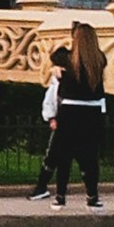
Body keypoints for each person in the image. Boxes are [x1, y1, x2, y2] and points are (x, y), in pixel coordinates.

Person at [40, 22, 105, 208]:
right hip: (92, 110)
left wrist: (69, 42)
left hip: (71, 109)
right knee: (90, 156)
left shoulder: (67, 59)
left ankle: (60, 196)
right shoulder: (99, 60)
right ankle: (92, 196)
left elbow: (55, 54)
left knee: (64, 153)